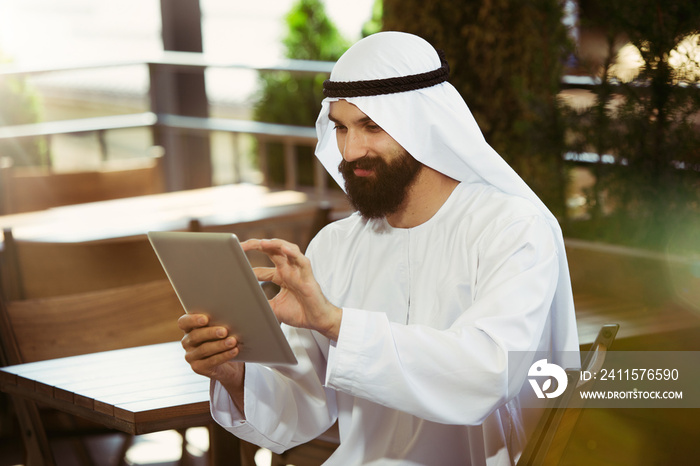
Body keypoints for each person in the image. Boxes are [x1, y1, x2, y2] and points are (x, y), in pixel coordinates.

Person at [179, 31, 580, 465]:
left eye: (372, 126)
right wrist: (233, 373)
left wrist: (335, 323)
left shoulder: (512, 228)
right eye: (341, 128)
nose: (351, 151)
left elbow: (488, 373)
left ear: (424, 125)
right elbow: (299, 408)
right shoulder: (335, 244)